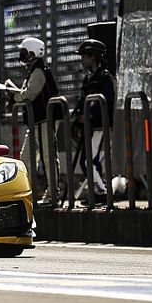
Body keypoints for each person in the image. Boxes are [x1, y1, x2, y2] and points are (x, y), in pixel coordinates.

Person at [12, 37, 60, 206]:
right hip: (36, 122)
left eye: (24, 52)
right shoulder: (34, 70)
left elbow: (30, 93)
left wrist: (15, 96)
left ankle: (53, 193)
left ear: (32, 53)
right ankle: (26, 193)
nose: (21, 55)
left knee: (48, 157)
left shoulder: (39, 71)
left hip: (44, 120)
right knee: (26, 159)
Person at [71, 39, 115, 203]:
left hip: (99, 125)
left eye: (85, 56)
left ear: (94, 57)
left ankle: (102, 191)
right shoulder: (88, 78)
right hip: (89, 126)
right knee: (89, 160)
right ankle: (98, 191)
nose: (82, 60)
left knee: (88, 160)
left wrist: (90, 114)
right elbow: (83, 101)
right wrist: (77, 118)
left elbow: (106, 101)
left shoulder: (104, 77)